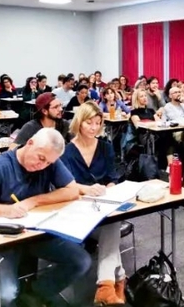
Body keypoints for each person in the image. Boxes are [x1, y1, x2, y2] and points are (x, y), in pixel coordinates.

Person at [0, 129, 91, 307]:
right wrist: (6, 210)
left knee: (81, 262)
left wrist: (34, 200)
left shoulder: (50, 160)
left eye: (48, 162)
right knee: (7, 293)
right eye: (41, 158)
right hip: (1, 238)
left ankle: (34, 292)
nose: (42, 165)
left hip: (34, 233)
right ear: (29, 143)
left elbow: (72, 190)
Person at [60, 103, 127, 305]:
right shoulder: (67, 151)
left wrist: (109, 187)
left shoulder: (105, 147)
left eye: (98, 123)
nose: (94, 127)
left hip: (102, 207)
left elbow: (112, 176)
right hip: (77, 211)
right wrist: (86, 189)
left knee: (112, 223)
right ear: (79, 122)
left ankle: (105, 286)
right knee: (112, 231)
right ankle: (119, 280)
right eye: (89, 122)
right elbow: (65, 183)